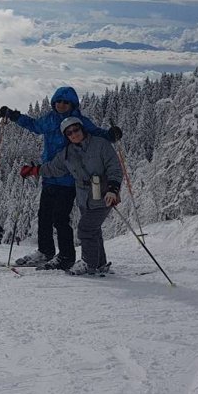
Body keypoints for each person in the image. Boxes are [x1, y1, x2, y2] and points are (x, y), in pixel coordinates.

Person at [0, 87, 121, 270]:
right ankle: (45, 251)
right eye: (58, 101)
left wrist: (111, 136)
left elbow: (96, 134)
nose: (61, 105)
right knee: (44, 216)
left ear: (72, 104)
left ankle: (66, 256)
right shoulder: (49, 119)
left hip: (70, 178)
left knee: (60, 218)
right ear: (54, 103)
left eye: (66, 102)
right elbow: (33, 125)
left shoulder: (79, 121)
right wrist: (14, 116)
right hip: (50, 174)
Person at [21, 117, 122, 275]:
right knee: (94, 230)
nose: (74, 134)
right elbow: (53, 168)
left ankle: (88, 264)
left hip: (103, 194)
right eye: (69, 133)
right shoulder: (67, 153)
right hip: (84, 198)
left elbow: (114, 167)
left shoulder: (100, 144)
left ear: (82, 129)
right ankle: (99, 263)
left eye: (76, 130)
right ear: (66, 136)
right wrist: (34, 170)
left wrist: (113, 189)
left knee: (85, 229)